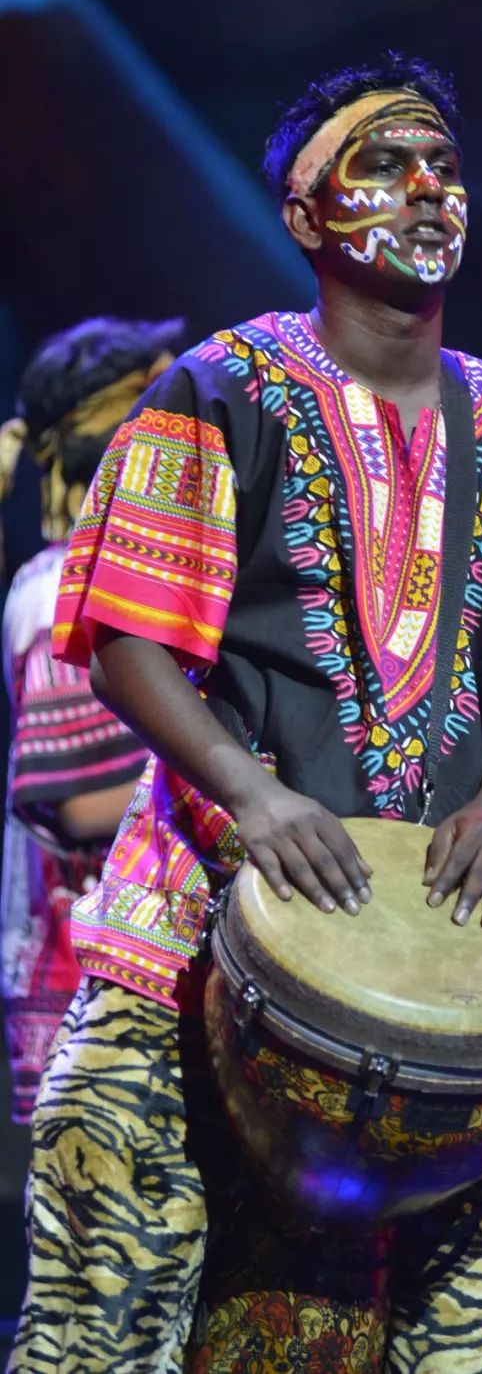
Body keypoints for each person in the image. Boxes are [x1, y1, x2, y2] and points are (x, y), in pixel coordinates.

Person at [9, 54, 482, 1374]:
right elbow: (133, 634)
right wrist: (250, 793)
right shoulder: (222, 387)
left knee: (434, 1342)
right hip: (194, 919)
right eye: (381, 164)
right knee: (105, 1316)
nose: (427, 190)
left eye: (444, 166)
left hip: (463, 960)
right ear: (305, 217)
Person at [0, 319, 179, 1124]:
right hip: (87, 986)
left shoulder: (116, 572)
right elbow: (76, 805)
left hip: (130, 971)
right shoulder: (59, 591)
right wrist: (239, 772)